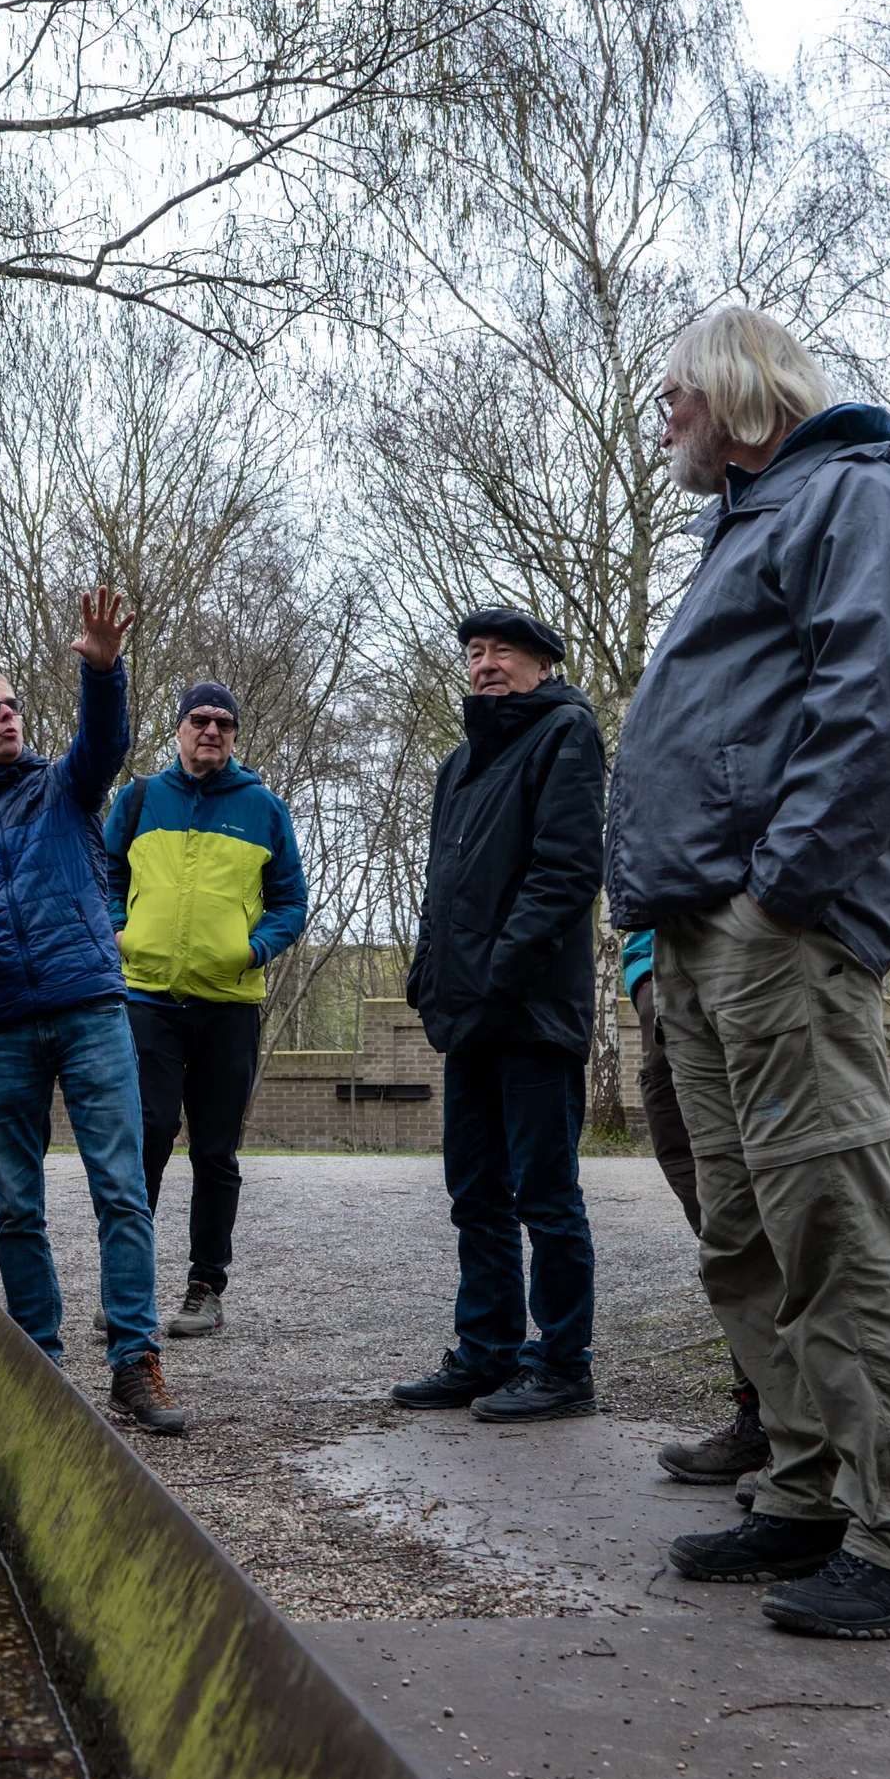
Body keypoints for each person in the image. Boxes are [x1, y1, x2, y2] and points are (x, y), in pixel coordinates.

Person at [607, 306, 890, 1639]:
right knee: (746, 1231)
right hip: (699, 927)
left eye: (673, 404)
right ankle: (812, 1490)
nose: (664, 431)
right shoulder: (746, 525)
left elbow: (877, 705)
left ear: (736, 392)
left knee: (829, 1217)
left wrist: (783, 895)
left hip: (775, 925)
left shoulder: (853, 497)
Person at [0, 592, 185, 1434]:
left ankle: (135, 1363)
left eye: (13, 705)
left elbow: (106, 743)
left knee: (121, 1192)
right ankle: (38, 1361)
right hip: (2, 1031)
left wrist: (101, 667)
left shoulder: (65, 792)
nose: (5, 716)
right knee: (16, 1206)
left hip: (92, 1011)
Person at [390, 608, 605, 1425]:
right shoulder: (460, 761)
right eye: (476, 653)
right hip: (468, 1011)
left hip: (531, 1011)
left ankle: (561, 1364)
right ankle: (485, 1350)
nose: (485, 665)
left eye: (503, 652)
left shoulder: (565, 734)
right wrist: (426, 971)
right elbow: (441, 881)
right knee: (475, 1192)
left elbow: (566, 870)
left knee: (545, 1196)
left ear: (543, 664)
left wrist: (500, 972)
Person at [103, 681, 308, 1335]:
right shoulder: (137, 800)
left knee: (216, 1152)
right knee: (148, 1138)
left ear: (235, 735)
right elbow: (102, 873)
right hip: (147, 999)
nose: (211, 731)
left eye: (224, 723)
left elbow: (291, 904)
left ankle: (205, 1289)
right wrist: (116, 930)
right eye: (200, 720)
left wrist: (253, 951)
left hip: (229, 1006)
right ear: (179, 728)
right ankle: (125, 1292)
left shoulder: (264, 809)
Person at [622, 927, 769, 1487]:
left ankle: (818, 1444)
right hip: (664, 992)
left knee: (791, 1223)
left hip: (757, 972)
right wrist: (646, 983)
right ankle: (761, 1422)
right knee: (723, 1231)